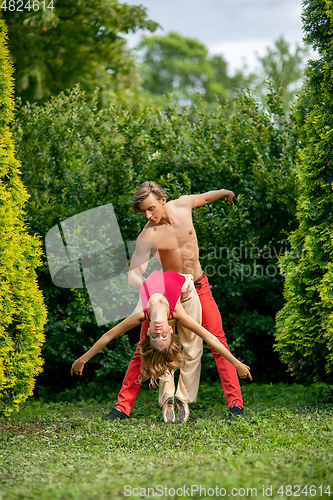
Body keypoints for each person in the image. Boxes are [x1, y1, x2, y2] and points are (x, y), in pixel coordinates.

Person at [105, 181, 248, 423]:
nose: (148, 216)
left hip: (199, 288)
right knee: (144, 347)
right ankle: (122, 408)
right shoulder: (148, 234)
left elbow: (206, 196)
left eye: (151, 208)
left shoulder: (183, 205)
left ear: (162, 199)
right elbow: (133, 275)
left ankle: (235, 406)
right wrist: (152, 292)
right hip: (167, 294)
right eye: (143, 212)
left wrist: (226, 193)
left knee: (217, 343)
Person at [71, 270, 252, 423]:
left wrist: (82, 359)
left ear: (147, 332)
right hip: (186, 291)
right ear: (171, 332)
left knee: (191, 346)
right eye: (163, 335)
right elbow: (210, 338)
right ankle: (169, 398)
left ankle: (181, 396)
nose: (159, 331)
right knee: (191, 344)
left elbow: (108, 335)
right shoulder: (177, 313)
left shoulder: (140, 314)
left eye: (156, 336)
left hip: (185, 289)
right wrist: (238, 363)